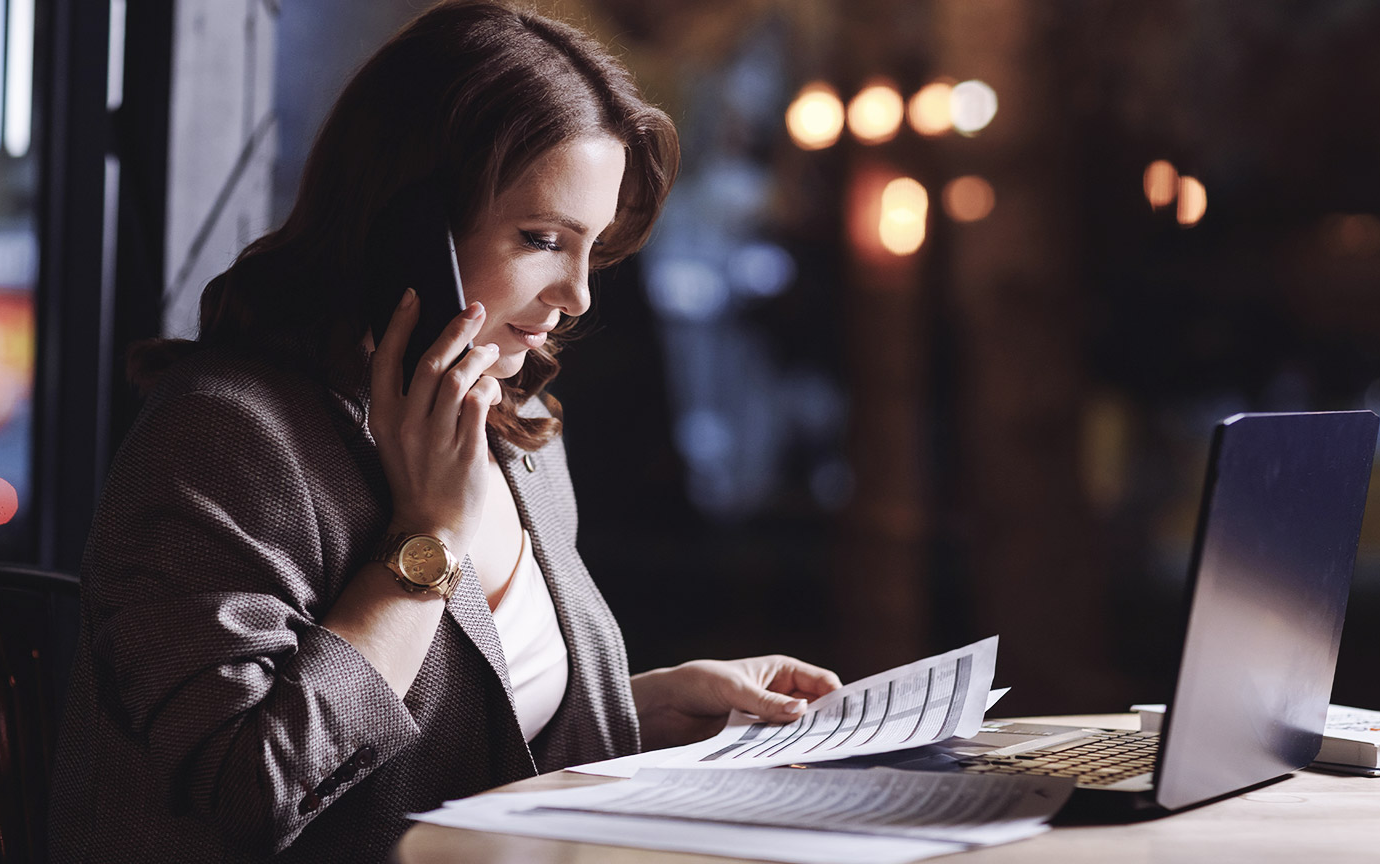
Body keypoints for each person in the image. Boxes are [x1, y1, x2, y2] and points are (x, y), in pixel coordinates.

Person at [48, 2, 840, 861]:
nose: (578, 295)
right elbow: (250, 788)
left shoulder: (516, 424)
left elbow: (448, 729)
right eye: (542, 239)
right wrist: (424, 543)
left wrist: (640, 708)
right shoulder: (224, 440)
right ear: (407, 230)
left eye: (593, 248)